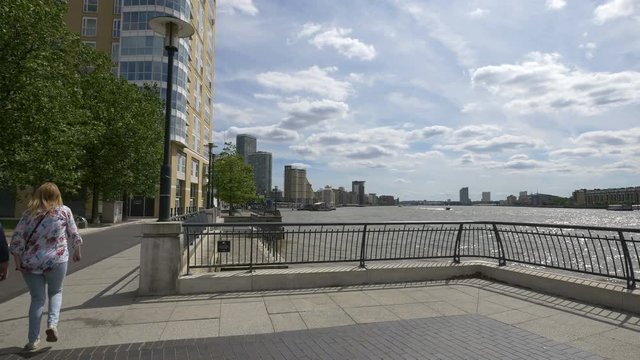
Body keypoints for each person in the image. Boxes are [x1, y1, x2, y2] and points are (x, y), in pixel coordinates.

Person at [10, 182, 82, 351]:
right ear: (57, 195)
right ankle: (52, 324)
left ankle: (33, 340)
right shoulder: (64, 211)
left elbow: (17, 238)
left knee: (37, 299)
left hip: (31, 262)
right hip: (56, 260)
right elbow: (73, 233)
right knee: (56, 292)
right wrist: (77, 250)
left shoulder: (28, 214)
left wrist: (17, 261)